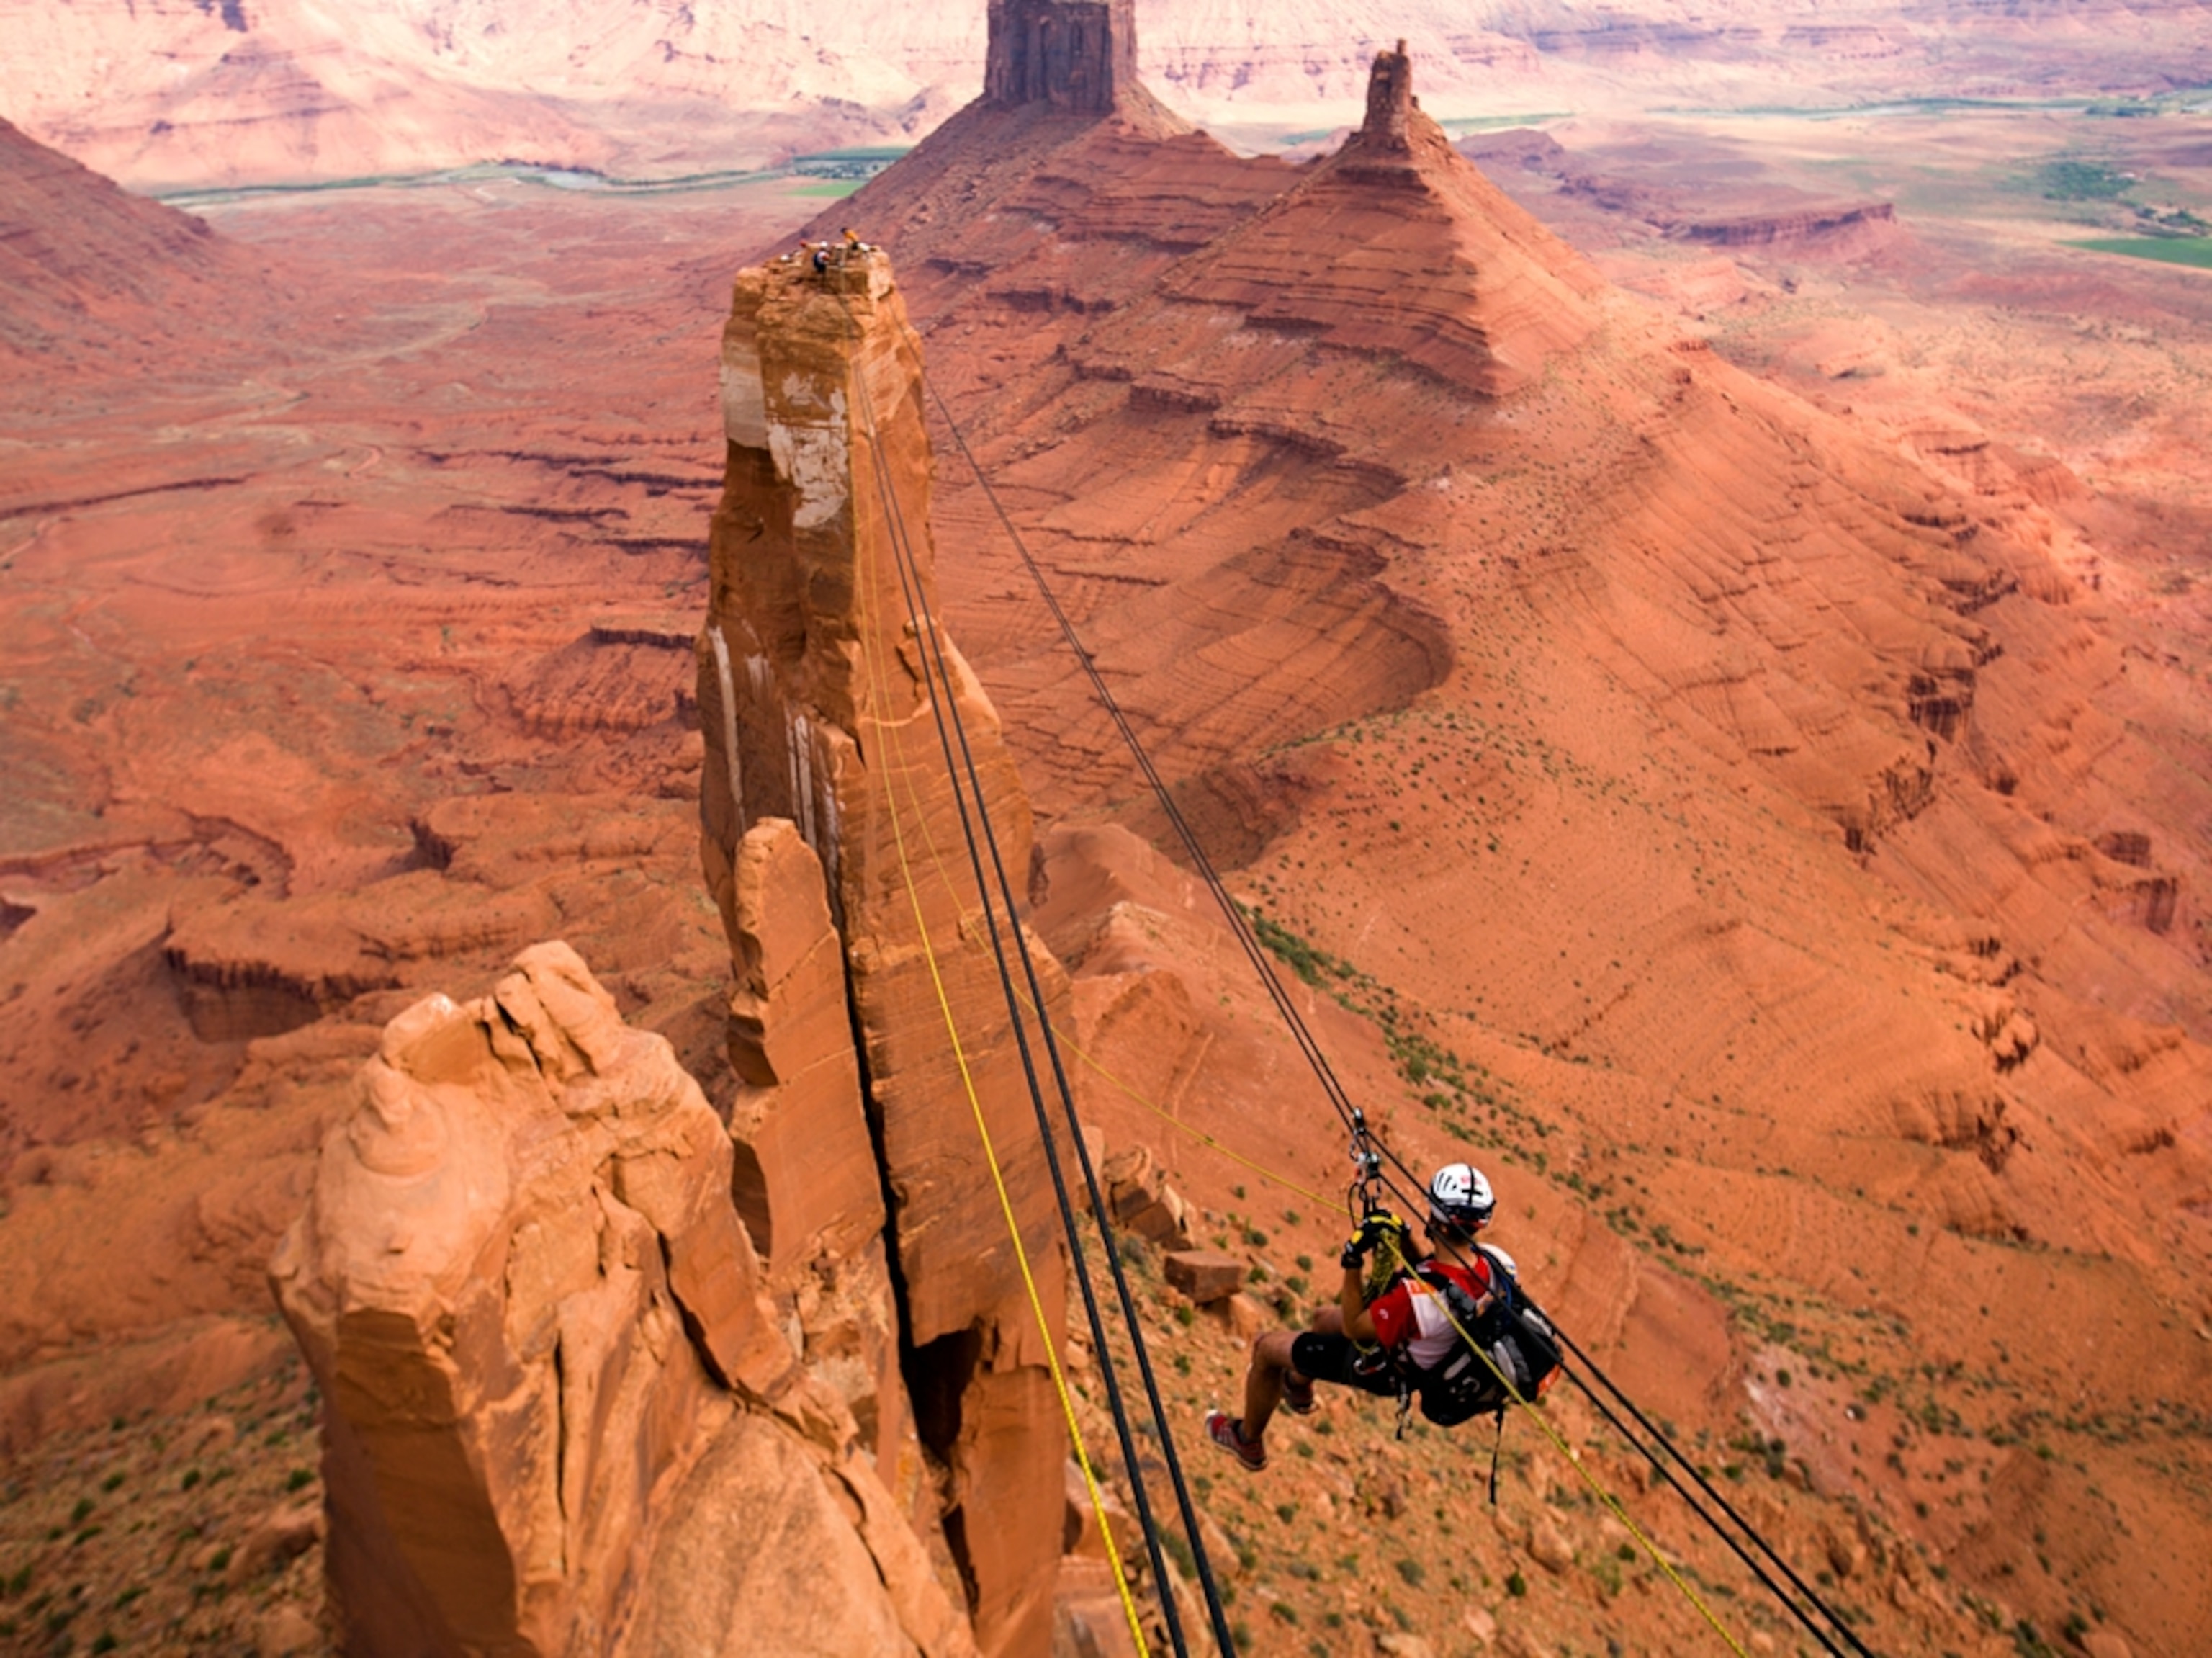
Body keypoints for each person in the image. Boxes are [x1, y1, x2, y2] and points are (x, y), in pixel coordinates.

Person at [1205, 1163, 1503, 1472]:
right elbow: (1436, 1273)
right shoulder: (1495, 1265)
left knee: (1266, 1349)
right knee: (1321, 1320)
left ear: (1437, 1221)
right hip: (1426, 1348)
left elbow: (1354, 1327)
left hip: (1383, 1366)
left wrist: (1352, 1261)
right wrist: (1404, 1238)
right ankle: (1297, 1387)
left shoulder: (1417, 1301)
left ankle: (1247, 1440)